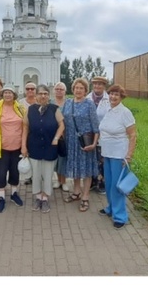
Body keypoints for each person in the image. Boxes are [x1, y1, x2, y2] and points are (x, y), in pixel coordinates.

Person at [98, 84, 136, 229]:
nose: (113, 97)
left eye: (116, 95)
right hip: (106, 153)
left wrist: (129, 156)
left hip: (119, 155)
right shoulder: (109, 110)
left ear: (121, 97)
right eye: (111, 94)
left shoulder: (125, 112)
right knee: (108, 184)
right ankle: (111, 208)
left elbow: (133, 135)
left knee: (117, 186)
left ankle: (120, 216)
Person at [21, 84, 64, 212]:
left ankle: (45, 198)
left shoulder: (54, 109)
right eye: (40, 93)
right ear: (36, 95)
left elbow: (62, 125)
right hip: (34, 146)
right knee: (36, 174)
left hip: (50, 147)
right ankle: (38, 197)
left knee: (48, 173)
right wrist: (23, 146)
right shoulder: (30, 110)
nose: (43, 96)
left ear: (48, 95)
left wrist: (56, 138)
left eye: (45, 93)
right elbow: (25, 128)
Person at [0, 84, 25, 212]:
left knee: (15, 172)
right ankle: (2, 198)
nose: (8, 95)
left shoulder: (20, 108)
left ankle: (14, 194)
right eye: (6, 92)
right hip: (1, 148)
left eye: (10, 93)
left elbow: (26, 127)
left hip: (17, 147)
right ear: (2, 94)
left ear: (14, 95)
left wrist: (25, 146)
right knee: (1, 173)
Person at [62, 77, 100, 213]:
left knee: (87, 169)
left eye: (81, 88)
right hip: (71, 141)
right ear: (73, 89)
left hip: (85, 142)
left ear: (85, 90)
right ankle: (76, 192)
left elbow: (96, 126)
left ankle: (85, 196)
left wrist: (94, 144)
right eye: (76, 88)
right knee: (76, 168)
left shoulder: (89, 104)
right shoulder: (68, 103)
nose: (78, 90)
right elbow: (62, 122)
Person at [53, 82, 69, 193]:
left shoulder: (69, 103)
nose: (59, 91)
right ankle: (58, 180)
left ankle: (64, 181)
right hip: (54, 135)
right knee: (56, 159)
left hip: (67, 135)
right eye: (57, 89)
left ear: (65, 91)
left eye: (61, 89)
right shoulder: (50, 103)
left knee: (64, 158)